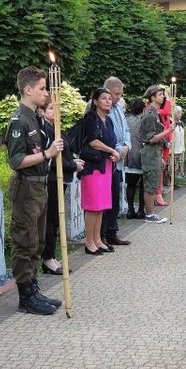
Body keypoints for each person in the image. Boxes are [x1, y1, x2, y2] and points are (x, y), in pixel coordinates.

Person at [5, 66, 64, 315]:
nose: (46, 93)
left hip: (40, 185)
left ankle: (33, 288)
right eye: (42, 88)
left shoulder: (36, 116)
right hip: (27, 186)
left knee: (38, 241)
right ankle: (25, 296)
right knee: (25, 241)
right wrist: (47, 154)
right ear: (27, 90)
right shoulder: (20, 120)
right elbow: (16, 160)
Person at [39, 98, 84, 275]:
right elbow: (51, 158)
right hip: (51, 179)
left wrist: (72, 161)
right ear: (42, 111)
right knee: (50, 220)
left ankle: (51, 255)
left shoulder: (56, 128)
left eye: (56, 108)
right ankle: (47, 258)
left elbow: (63, 153)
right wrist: (73, 166)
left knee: (56, 220)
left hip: (60, 178)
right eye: (51, 108)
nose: (55, 111)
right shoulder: (45, 130)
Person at [77, 88, 120, 254]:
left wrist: (113, 154)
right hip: (92, 166)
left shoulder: (108, 120)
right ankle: (89, 242)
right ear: (95, 102)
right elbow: (93, 141)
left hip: (106, 165)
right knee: (92, 205)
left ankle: (98, 239)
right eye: (104, 98)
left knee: (101, 205)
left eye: (110, 98)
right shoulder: (91, 118)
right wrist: (111, 150)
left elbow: (112, 140)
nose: (108, 101)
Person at [100, 77, 132, 247]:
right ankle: (102, 235)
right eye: (116, 94)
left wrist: (127, 145)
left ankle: (112, 232)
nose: (119, 97)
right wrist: (118, 149)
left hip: (119, 158)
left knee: (114, 196)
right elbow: (105, 134)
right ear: (107, 91)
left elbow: (125, 129)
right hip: (107, 158)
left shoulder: (118, 107)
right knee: (104, 198)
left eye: (120, 94)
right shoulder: (100, 107)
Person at [140, 85, 175, 222]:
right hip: (150, 151)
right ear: (152, 97)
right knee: (150, 185)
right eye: (160, 94)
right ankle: (149, 214)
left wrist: (160, 155)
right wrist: (168, 131)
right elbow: (151, 138)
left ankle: (150, 213)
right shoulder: (150, 114)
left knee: (154, 183)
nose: (163, 96)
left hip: (156, 151)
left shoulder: (155, 113)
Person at [124, 99, 146, 219]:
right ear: (143, 109)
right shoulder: (142, 122)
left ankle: (130, 210)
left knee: (130, 184)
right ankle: (141, 210)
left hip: (128, 154)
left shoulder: (126, 120)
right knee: (142, 184)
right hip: (141, 154)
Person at [172, 105, 186, 177]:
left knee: (179, 166)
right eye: (179, 113)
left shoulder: (180, 123)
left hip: (181, 148)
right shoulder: (171, 123)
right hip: (174, 149)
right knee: (173, 167)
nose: (181, 114)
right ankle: (171, 183)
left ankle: (178, 179)